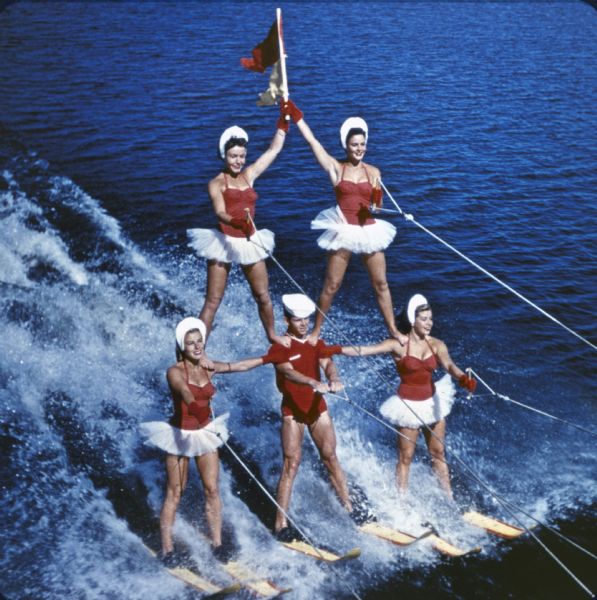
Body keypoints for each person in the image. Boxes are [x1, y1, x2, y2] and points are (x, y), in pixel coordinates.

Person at [139, 317, 276, 564]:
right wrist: (196, 408)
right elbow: (185, 391)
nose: (196, 346)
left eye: (199, 341)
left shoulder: (208, 366)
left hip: (205, 433)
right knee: (175, 493)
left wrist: (268, 358)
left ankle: (217, 543)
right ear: (183, 347)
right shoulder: (174, 371)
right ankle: (167, 550)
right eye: (191, 343)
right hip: (179, 436)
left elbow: (238, 366)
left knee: (212, 490)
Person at [329, 294, 476, 499]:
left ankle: (449, 498)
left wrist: (463, 379)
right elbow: (365, 350)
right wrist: (335, 349)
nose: (429, 323)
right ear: (412, 320)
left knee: (439, 454)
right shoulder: (398, 344)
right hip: (408, 406)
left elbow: (449, 365)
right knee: (406, 457)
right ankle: (402, 502)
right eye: (424, 319)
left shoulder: (437, 344)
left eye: (430, 319)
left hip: (433, 401)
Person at [281, 99, 404, 344]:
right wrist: (297, 117)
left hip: (369, 230)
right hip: (343, 229)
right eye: (354, 144)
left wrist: (376, 206)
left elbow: (378, 207)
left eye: (362, 144)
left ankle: (393, 330)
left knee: (381, 283)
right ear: (346, 146)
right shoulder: (337, 168)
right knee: (332, 285)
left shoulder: (374, 172)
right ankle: (316, 332)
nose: (359, 149)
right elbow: (313, 143)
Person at [187, 109, 290, 346]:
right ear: (224, 155)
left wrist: (283, 124)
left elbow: (273, 150)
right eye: (233, 156)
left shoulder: (249, 176)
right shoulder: (216, 183)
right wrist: (236, 222)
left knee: (263, 296)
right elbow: (220, 212)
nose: (238, 161)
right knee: (213, 301)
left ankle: (272, 335)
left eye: (242, 156)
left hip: (249, 241)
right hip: (223, 241)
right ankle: (197, 347)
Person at [263, 293, 358, 539]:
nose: (304, 324)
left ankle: (349, 508)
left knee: (330, 457)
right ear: (286, 320)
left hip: (317, 407)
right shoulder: (280, 347)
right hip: (292, 410)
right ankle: (280, 524)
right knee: (291, 465)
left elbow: (328, 363)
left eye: (307, 319)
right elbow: (288, 372)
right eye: (298, 320)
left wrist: (333, 378)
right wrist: (313, 381)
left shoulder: (316, 342)